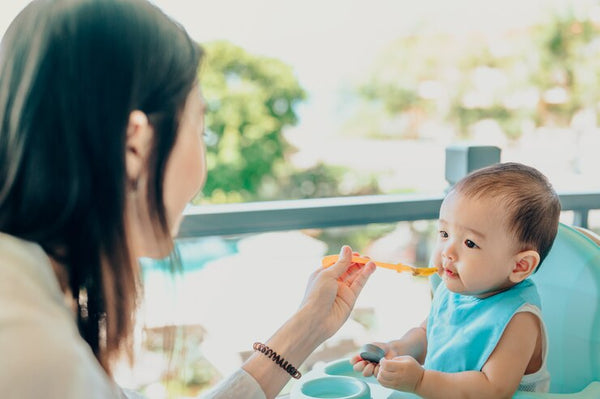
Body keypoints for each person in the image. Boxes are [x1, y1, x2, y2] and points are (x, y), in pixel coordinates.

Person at [0, 1, 376, 398]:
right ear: (135, 146)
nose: (203, 168)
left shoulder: (29, 299)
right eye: (200, 128)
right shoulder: (32, 351)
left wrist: (309, 325)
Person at [351, 162, 562, 398]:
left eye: (470, 243)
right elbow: (428, 334)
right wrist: (397, 349)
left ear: (520, 265)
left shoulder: (519, 319)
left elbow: (492, 389)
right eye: (444, 234)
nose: (447, 252)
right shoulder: (455, 288)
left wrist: (420, 381)